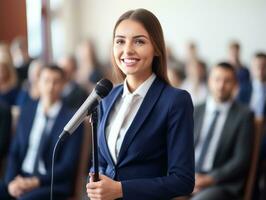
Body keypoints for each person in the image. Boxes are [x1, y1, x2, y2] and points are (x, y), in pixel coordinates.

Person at [86, 8, 195, 200]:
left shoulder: (175, 101)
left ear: (157, 49)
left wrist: (120, 189)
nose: (127, 50)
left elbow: (183, 180)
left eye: (139, 41)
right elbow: (101, 162)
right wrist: (95, 181)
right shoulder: (107, 97)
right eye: (120, 41)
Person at [0, 65, 83, 200]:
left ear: (63, 85)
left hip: (50, 184)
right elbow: (14, 152)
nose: (50, 86)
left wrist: (34, 182)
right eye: (46, 80)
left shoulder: (73, 120)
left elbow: (67, 165)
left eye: (55, 82)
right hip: (21, 177)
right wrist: (10, 182)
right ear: (38, 83)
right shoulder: (26, 111)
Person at [192, 62, 253, 200]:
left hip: (220, 184)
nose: (221, 85)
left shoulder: (243, 115)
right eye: (217, 79)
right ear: (209, 81)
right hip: (189, 176)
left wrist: (210, 179)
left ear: (235, 85)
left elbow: (240, 159)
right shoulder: (195, 110)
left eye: (227, 81)